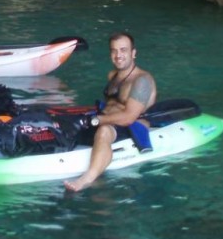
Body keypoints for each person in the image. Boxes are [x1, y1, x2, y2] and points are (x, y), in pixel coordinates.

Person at [64, 31, 157, 192]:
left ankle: (87, 178)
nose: (118, 55)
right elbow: (111, 105)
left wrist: (96, 121)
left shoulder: (142, 80)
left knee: (104, 131)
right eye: (114, 50)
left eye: (123, 50)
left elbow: (128, 117)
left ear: (133, 53)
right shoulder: (113, 75)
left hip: (130, 124)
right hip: (108, 118)